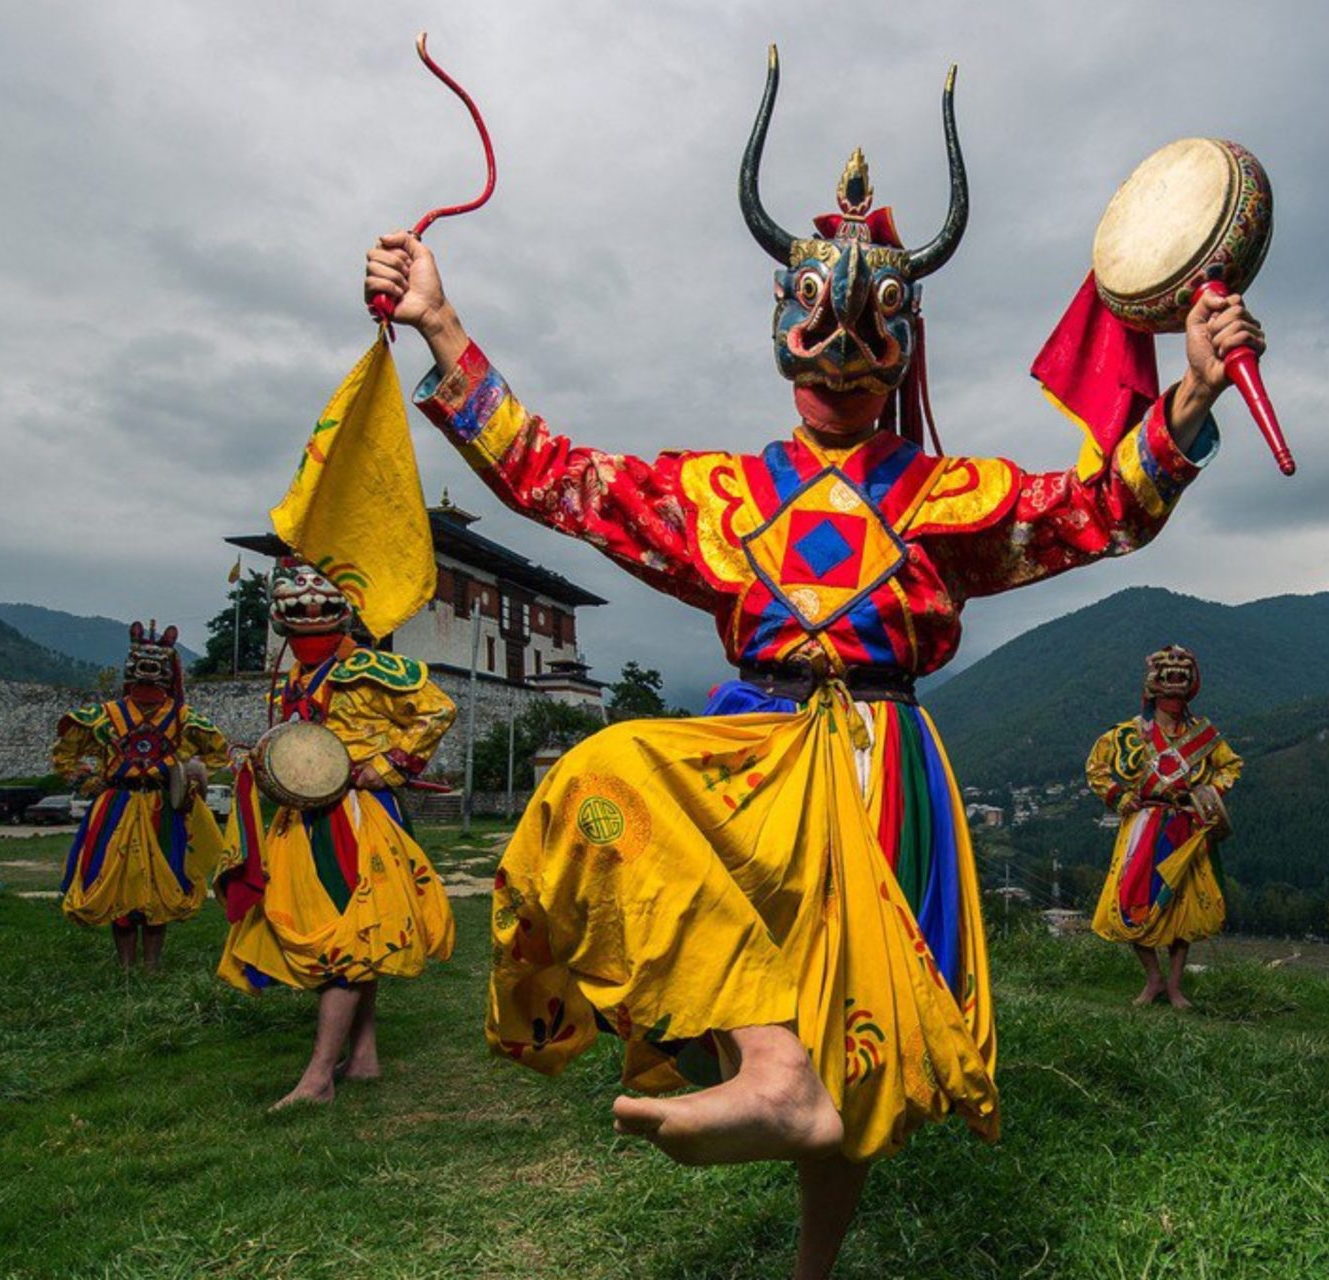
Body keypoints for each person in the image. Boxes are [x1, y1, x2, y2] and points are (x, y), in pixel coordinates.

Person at [364, 54, 1262, 1280]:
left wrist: (1195, 389)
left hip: (879, 767)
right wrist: (439, 324)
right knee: (603, 778)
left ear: (903, 343)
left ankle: (811, 1250)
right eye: (816, 322)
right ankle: (768, 1065)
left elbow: (1099, 507)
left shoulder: (947, 494)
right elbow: (556, 477)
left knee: (856, 1031)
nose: (840, 351)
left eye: (869, 327)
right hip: (755, 750)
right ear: (782, 328)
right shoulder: (721, 493)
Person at [215, 558, 459, 1109]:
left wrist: (389, 766)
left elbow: (437, 710)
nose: (308, 613)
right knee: (356, 934)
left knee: (345, 935)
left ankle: (319, 1077)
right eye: (296, 608)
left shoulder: (369, 667)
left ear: (342, 612)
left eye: (318, 605)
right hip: (305, 816)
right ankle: (364, 1056)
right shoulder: (297, 675)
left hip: (354, 815)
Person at [50, 621, 230, 970]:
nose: (148, 670)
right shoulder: (104, 715)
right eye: (141, 663)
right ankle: (126, 966)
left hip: (162, 807)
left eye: (157, 664)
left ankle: (151, 965)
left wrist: (190, 778)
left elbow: (218, 752)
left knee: (159, 883)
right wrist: (87, 780)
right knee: (118, 881)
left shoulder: (182, 717)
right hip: (116, 805)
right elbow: (64, 754)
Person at [1086, 645, 1243, 1007]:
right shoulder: (1129, 733)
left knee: (1181, 906)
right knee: (1133, 899)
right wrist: (1118, 797)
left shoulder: (1203, 735)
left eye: (1180, 682)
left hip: (1185, 825)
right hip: (1144, 825)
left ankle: (1174, 985)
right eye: (1167, 682)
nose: (1174, 693)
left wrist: (1207, 796)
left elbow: (1231, 764)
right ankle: (1153, 978)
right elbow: (1096, 767)